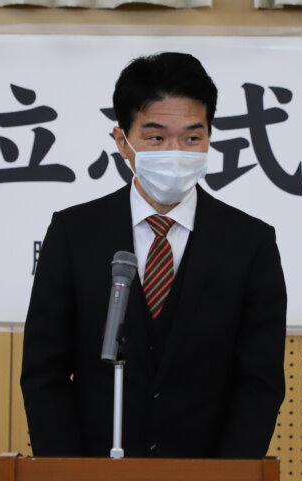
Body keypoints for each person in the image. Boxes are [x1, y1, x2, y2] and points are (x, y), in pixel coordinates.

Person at [20, 51, 286, 458]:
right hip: (94, 473)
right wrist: (67, 475)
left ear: (209, 138)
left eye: (192, 138)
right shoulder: (74, 233)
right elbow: (45, 372)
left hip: (207, 478)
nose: (175, 151)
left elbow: (260, 381)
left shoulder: (250, 242)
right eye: (156, 138)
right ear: (122, 142)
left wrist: (228, 480)